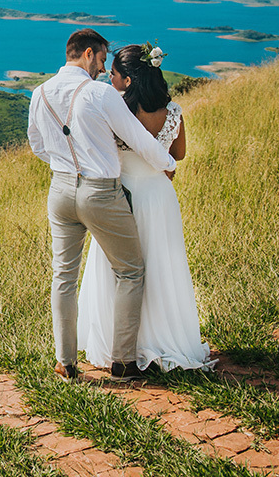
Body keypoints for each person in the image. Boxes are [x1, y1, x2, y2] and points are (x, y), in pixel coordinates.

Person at [28, 29, 177, 382]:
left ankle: (65, 363)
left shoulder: (40, 93)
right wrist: (168, 165)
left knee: (63, 276)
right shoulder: (100, 94)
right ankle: (123, 362)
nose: (103, 66)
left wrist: (65, 164)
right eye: (102, 58)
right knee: (130, 271)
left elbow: (37, 145)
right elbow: (139, 139)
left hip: (60, 191)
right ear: (88, 54)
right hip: (101, 193)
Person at [77, 44, 215, 372]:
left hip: (121, 198)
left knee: (118, 270)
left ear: (128, 79)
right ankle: (164, 341)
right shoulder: (173, 112)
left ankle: (122, 345)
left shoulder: (115, 112)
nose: (109, 78)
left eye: (113, 74)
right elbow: (177, 155)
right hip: (158, 196)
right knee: (160, 267)